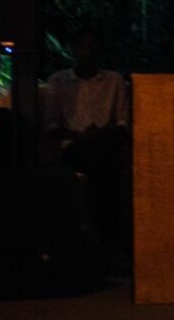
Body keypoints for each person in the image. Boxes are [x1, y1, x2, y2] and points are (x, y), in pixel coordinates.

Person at [42, 30, 131, 260]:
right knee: (98, 162)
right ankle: (107, 238)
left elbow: (123, 123)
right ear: (73, 50)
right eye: (82, 46)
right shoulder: (58, 82)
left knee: (101, 158)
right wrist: (79, 136)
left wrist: (101, 134)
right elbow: (51, 126)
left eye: (91, 47)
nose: (87, 52)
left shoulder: (114, 81)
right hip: (74, 146)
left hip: (105, 143)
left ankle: (100, 238)